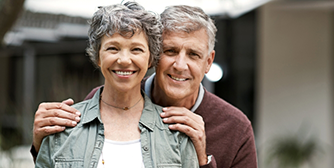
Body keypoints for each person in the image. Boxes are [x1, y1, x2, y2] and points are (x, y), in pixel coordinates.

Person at [32, 4, 258, 168]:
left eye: (193, 54)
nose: (180, 65)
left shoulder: (236, 128)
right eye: (170, 51)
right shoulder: (102, 102)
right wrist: (40, 141)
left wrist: (202, 160)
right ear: (156, 55)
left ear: (208, 62)